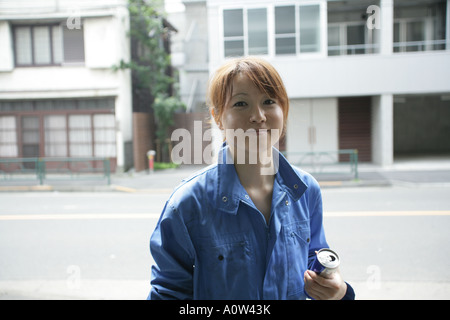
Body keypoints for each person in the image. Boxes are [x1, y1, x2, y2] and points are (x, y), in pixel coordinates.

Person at [148, 57, 355, 300]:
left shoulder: (306, 189)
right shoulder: (187, 203)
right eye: (241, 104)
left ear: (283, 110)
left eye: (268, 101)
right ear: (217, 117)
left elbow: (313, 256)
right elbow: (168, 293)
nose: (258, 116)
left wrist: (338, 291)